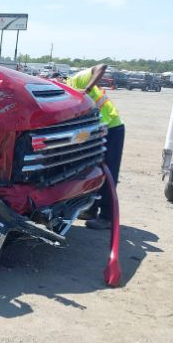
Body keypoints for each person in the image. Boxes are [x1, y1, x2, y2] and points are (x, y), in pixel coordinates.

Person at [66, 64, 124, 230]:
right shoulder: (64, 93)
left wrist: (87, 88)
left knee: (109, 173)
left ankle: (107, 217)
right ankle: (91, 210)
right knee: (93, 170)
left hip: (112, 128)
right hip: (95, 131)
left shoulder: (77, 80)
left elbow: (102, 66)